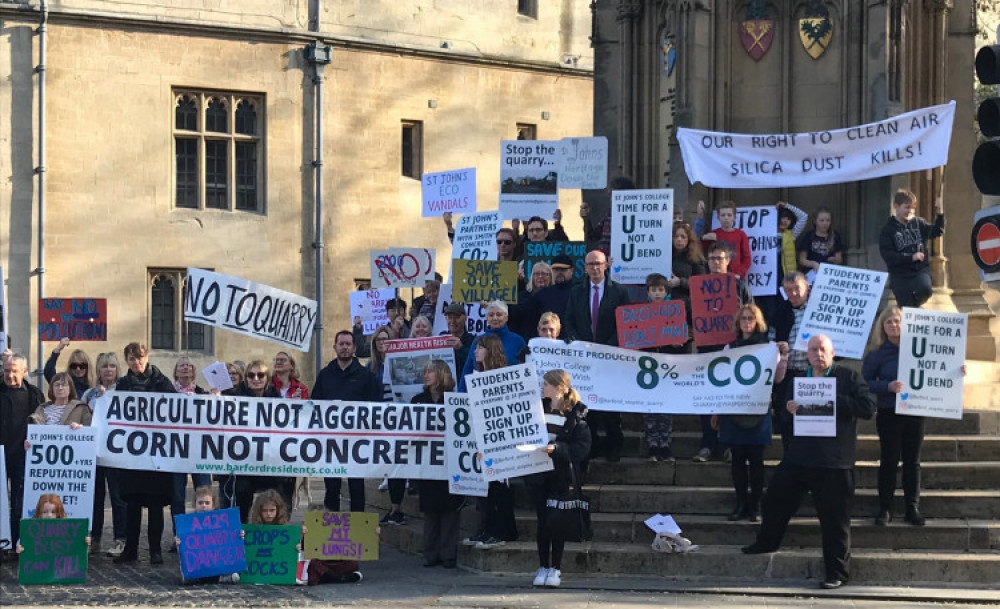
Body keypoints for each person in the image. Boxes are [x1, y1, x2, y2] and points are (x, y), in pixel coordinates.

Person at [743, 334, 875, 590]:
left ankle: (837, 572)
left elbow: (867, 407)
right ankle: (767, 542)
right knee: (774, 500)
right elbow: (781, 416)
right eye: (813, 349)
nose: (818, 354)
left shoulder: (848, 377)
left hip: (834, 462)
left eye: (822, 349)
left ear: (832, 352)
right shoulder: (797, 380)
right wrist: (789, 411)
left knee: (835, 521)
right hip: (800, 457)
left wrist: (832, 401)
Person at [712, 304, 787, 522]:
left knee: (756, 461)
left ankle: (755, 506)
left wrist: (784, 356)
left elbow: (778, 378)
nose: (747, 322)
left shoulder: (768, 347)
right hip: (734, 410)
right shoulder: (730, 347)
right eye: (743, 318)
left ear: (757, 322)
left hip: (758, 409)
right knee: (737, 461)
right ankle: (740, 504)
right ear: (738, 322)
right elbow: (722, 382)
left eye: (751, 318)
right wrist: (717, 411)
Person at [863, 306, 932, 527]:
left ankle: (912, 507)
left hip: (915, 411)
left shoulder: (919, 350)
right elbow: (865, 383)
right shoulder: (876, 354)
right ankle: (885, 508)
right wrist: (887, 386)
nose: (894, 325)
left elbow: (936, 372)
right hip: (888, 411)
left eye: (897, 321)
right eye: (889, 322)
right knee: (889, 460)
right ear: (882, 327)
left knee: (913, 461)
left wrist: (957, 371)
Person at [561, 249, 631, 462]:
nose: (594, 268)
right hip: (584, 358)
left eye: (598, 264)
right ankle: (591, 446)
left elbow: (624, 323)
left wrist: (606, 348)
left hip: (609, 356)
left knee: (610, 405)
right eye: (590, 264)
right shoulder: (577, 292)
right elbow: (569, 320)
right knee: (587, 404)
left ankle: (614, 445)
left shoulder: (619, 292)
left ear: (605, 265)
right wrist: (577, 342)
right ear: (585, 267)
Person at [114, 342, 176, 565]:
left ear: (147, 357)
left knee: (156, 505)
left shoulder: (162, 382)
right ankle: (130, 549)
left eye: (139, 358)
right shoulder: (122, 385)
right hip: (132, 453)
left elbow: (174, 411)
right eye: (131, 359)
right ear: (127, 361)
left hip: (156, 452)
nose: (136, 362)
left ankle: (155, 550)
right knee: (132, 504)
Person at [530, 369, 591, 588]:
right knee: (542, 522)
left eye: (546, 384)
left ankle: (555, 568)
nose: (542, 387)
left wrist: (557, 448)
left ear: (559, 388)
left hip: (560, 475)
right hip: (539, 474)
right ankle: (542, 565)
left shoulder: (575, 414)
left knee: (557, 522)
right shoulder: (538, 407)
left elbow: (581, 448)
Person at [693, 241, 753, 463]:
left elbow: (751, 315)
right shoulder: (698, 286)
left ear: (728, 261)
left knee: (729, 398)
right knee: (707, 398)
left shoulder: (740, 287)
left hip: (733, 351)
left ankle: (728, 444)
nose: (715, 262)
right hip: (706, 350)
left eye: (720, 258)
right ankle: (708, 444)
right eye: (711, 259)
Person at [312, 331, 383, 514]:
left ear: (354, 348)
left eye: (348, 344)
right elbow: (315, 404)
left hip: (357, 441)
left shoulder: (365, 376)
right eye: (341, 344)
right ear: (335, 347)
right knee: (332, 488)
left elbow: (376, 406)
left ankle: (357, 529)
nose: (344, 347)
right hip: (331, 442)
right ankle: (330, 527)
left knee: (357, 487)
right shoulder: (325, 375)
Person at [463, 335, 519, 549]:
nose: (476, 352)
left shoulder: (502, 377)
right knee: (484, 489)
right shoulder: (477, 375)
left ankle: (503, 530)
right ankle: (486, 528)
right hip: (480, 437)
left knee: (499, 487)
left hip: (500, 439)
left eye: (480, 348)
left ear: (490, 350)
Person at [413, 360, 462, 568]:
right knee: (431, 510)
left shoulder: (455, 400)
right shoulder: (418, 400)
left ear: (441, 374)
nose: (426, 375)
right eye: (425, 371)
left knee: (450, 510)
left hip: (450, 462)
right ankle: (430, 554)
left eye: (430, 371)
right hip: (427, 461)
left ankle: (448, 554)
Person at [232, 360, 292, 520]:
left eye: (260, 375)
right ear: (246, 378)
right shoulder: (236, 397)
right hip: (245, 462)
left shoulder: (276, 397)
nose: (256, 378)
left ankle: (277, 537)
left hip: (269, 462)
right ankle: (242, 537)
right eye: (251, 375)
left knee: (277, 499)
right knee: (242, 498)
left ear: (267, 378)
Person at [81, 352, 127, 556]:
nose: (108, 370)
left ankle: (120, 539)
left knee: (117, 497)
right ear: (98, 370)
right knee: (94, 498)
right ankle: (95, 538)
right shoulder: (89, 394)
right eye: (104, 366)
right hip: (93, 453)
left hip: (116, 453)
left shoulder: (125, 390)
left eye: (112, 366)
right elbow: (82, 418)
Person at [1, 352, 46, 549]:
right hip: (0, 455)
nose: (10, 375)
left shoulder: (35, 394)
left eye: (15, 371)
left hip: (23, 456)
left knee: (19, 503)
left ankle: (15, 542)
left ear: (25, 372)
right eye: (6, 371)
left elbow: (43, 423)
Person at [170, 356, 212, 547]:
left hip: (199, 452)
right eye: (181, 365)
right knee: (177, 497)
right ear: (176, 372)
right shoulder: (167, 395)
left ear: (194, 371)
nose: (185, 368)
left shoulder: (203, 394)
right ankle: (179, 536)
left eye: (189, 365)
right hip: (177, 452)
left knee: (204, 494)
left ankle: (205, 533)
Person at [879, 189, 945, 308]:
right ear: (896, 207)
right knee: (905, 305)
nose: (910, 211)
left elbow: (937, 231)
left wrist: (940, 214)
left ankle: (915, 309)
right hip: (899, 275)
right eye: (907, 207)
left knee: (925, 290)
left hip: (919, 271)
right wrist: (910, 257)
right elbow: (888, 255)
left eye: (913, 208)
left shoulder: (918, 223)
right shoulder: (888, 230)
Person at [641, 273, 677, 463]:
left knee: (666, 407)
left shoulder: (673, 312)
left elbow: (678, 337)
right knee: (649, 408)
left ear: (666, 292)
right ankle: (652, 444)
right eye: (654, 290)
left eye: (661, 290)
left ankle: (665, 444)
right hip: (646, 367)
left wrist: (679, 342)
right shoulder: (640, 313)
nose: (657, 293)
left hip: (667, 366)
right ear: (648, 292)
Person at [174, 486, 241, 584]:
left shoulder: (222, 521)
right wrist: (178, 542)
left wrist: (238, 535)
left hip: (217, 562)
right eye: (200, 503)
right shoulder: (187, 523)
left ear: (213, 505)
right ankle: (195, 577)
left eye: (207, 503)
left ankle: (222, 577)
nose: (204, 506)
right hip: (198, 563)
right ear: (194, 504)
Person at [457, 301, 526, 391]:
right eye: (491, 315)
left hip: (510, 394)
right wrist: (460, 395)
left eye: (499, 314)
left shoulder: (518, 341)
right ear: (486, 318)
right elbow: (468, 369)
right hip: (482, 394)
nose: (495, 318)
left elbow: (526, 371)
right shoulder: (478, 341)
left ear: (506, 318)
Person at [580, 175, 636, 255]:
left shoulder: (636, 216)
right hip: (605, 262)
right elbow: (593, 236)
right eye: (610, 195)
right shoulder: (610, 215)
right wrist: (586, 218)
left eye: (612, 195)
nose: (610, 199)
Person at [16, 494, 90, 553]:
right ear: (39, 513)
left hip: (60, 569)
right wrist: (19, 548)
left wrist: (84, 542)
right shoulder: (32, 530)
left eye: (53, 512)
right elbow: (23, 541)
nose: (49, 515)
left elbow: (76, 549)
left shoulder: (67, 530)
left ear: (59, 513)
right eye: (45, 512)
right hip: (38, 569)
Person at [701, 201, 752, 280]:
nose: (726, 218)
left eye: (729, 215)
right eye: (723, 215)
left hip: (736, 277)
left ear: (734, 217)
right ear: (718, 217)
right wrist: (704, 239)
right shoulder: (713, 234)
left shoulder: (741, 234)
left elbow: (747, 259)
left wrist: (739, 273)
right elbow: (704, 254)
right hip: (717, 277)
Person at [797, 207, 846, 273]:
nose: (825, 223)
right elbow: (802, 260)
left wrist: (835, 260)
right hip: (812, 271)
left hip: (829, 271)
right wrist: (813, 264)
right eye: (822, 220)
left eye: (828, 220)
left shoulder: (835, 235)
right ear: (815, 221)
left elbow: (839, 259)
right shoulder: (809, 236)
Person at [440, 303, 474, 368]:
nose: (452, 321)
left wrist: (461, 348)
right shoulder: (440, 338)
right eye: (450, 318)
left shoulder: (473, 340)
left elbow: (476, 363)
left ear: (465, 318)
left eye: (457, 317)